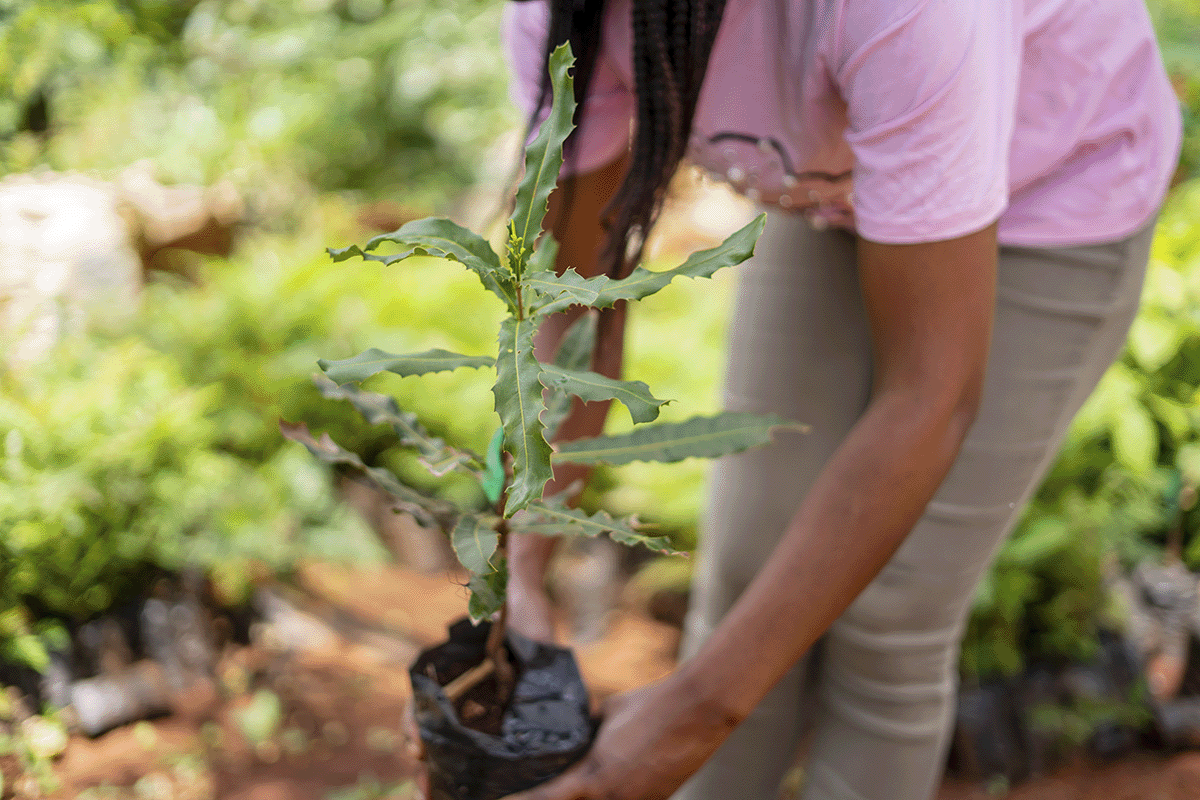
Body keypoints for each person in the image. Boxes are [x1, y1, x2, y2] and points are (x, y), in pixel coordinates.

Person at [495, 1, 1183, 798]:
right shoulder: (571, 13)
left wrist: (699, 709)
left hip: (1051, 194)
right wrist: (519, 569)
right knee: (748, 581)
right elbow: (576, 308)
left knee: (890, 617)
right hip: (835, 189)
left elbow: (930, 395)